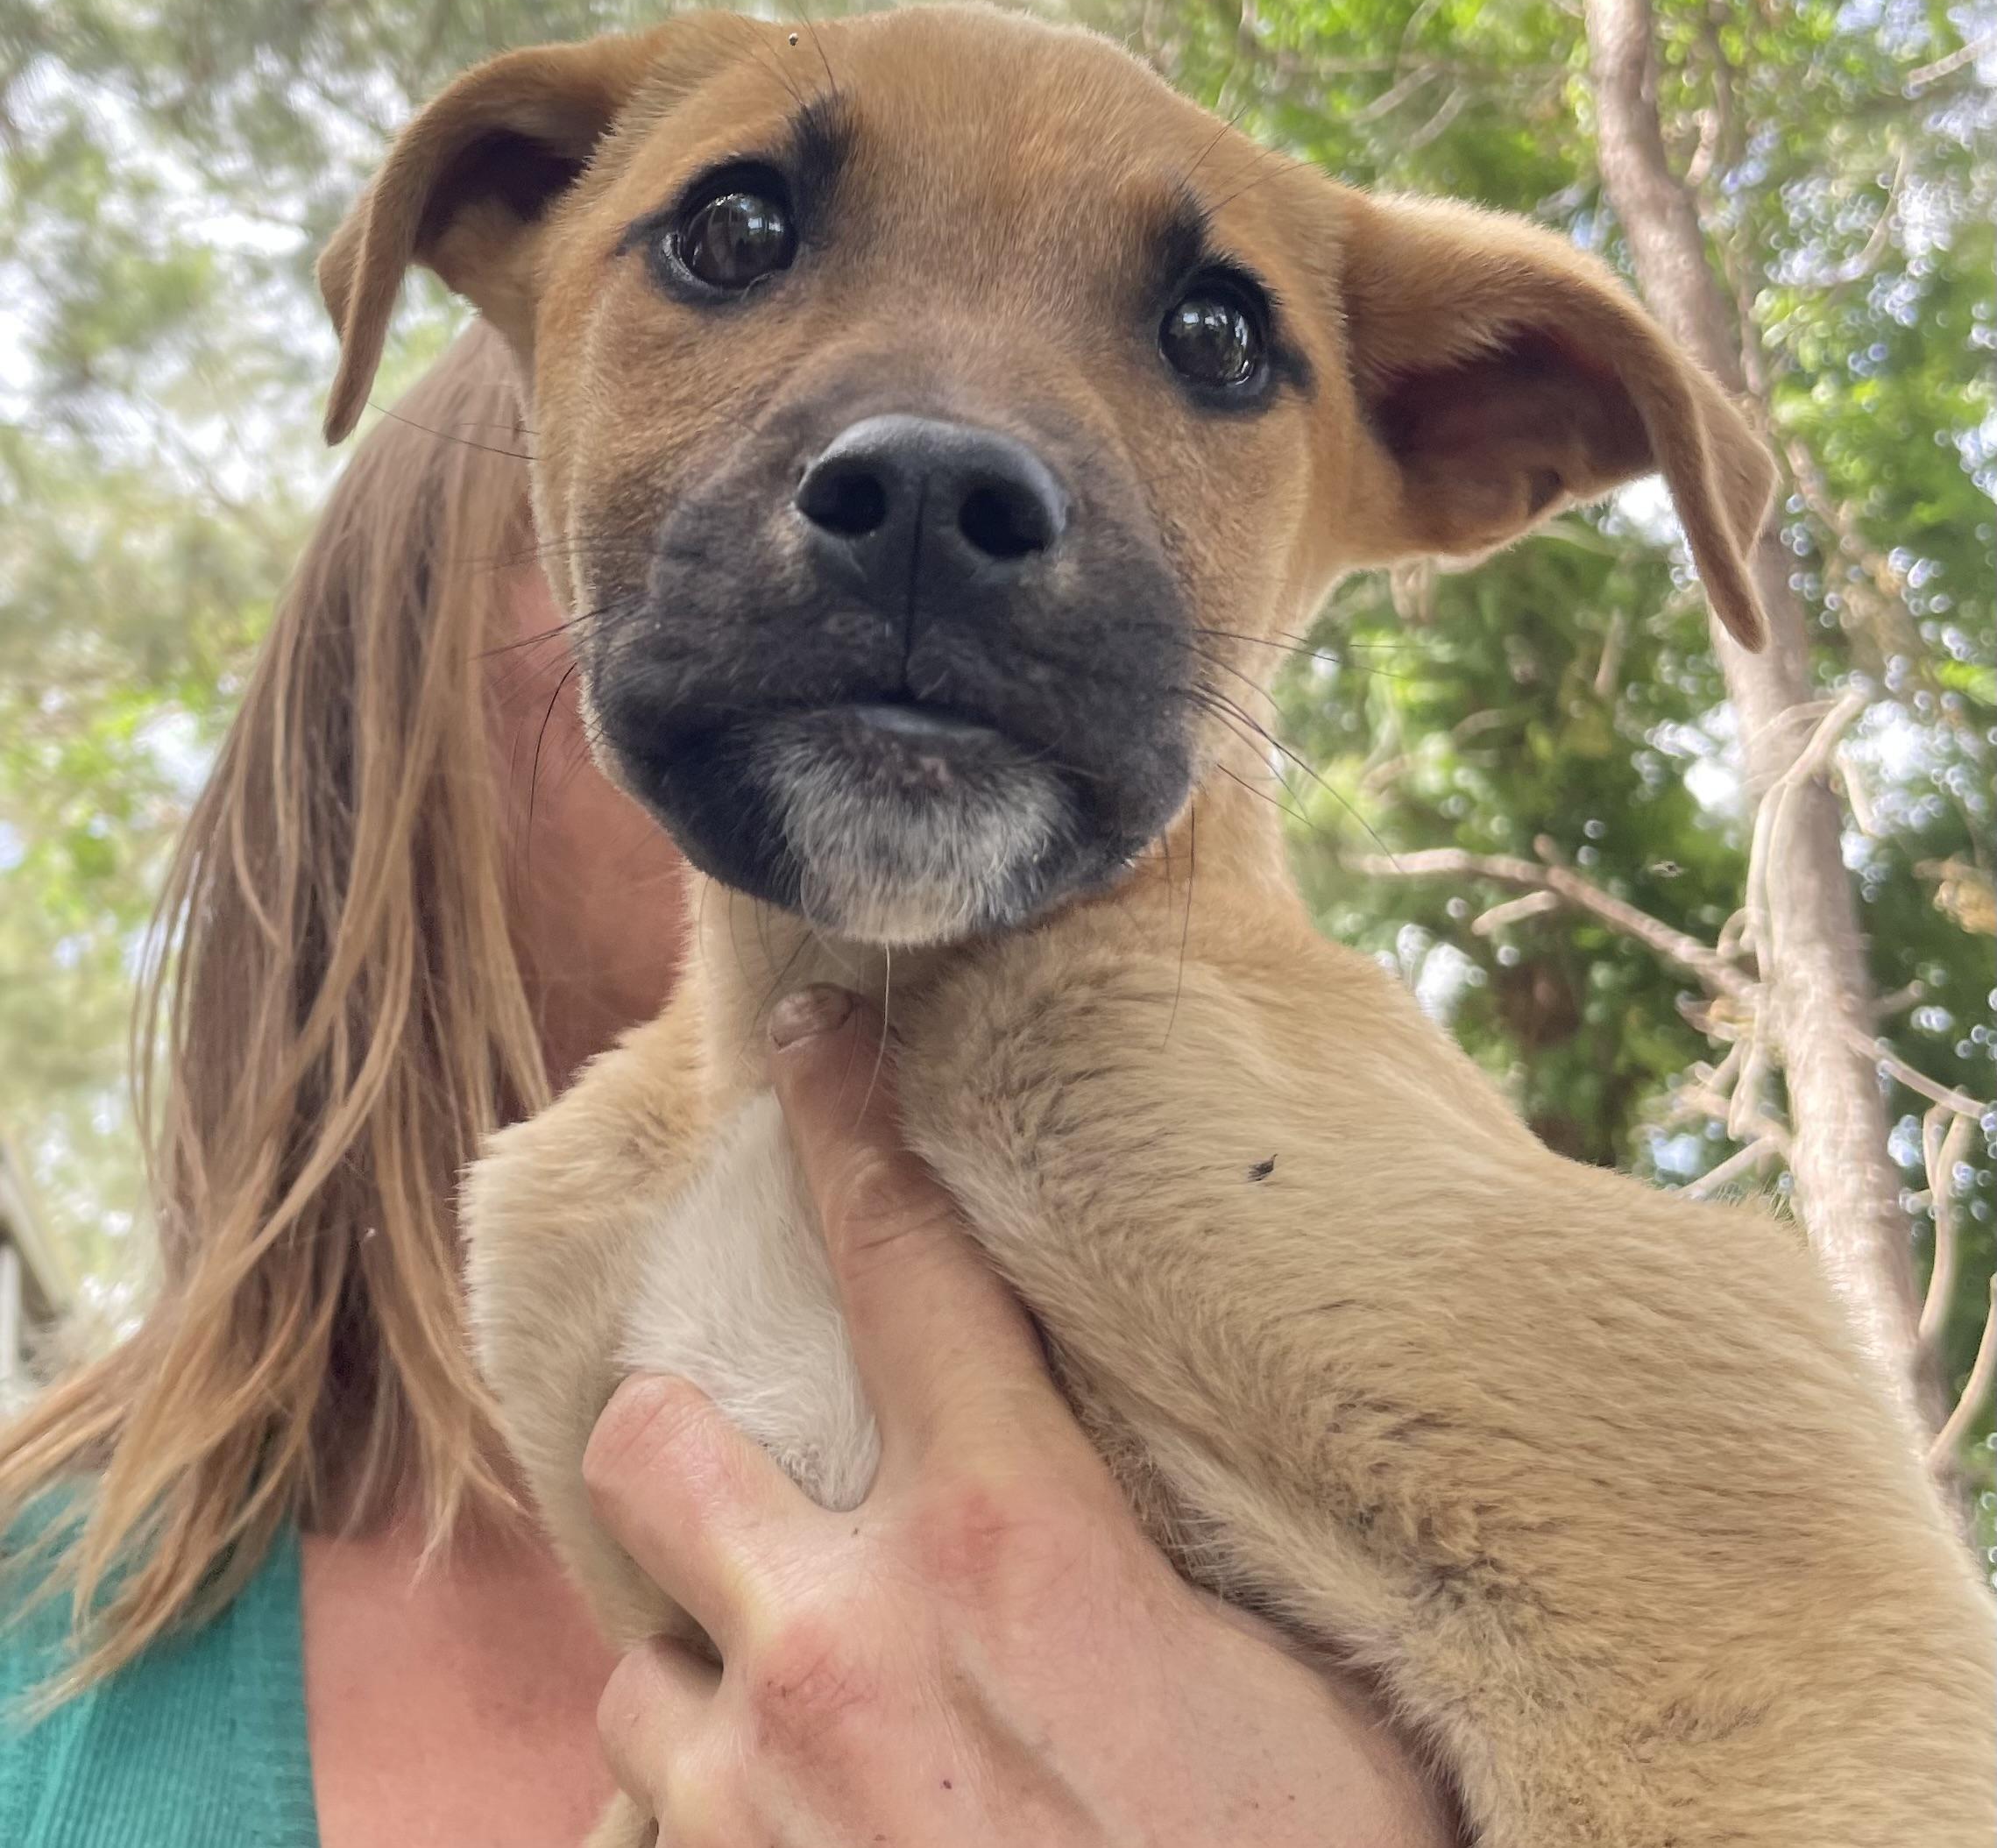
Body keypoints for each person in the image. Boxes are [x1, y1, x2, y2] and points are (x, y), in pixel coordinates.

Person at [0, 326, 1452, 1845]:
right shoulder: (44, 1643)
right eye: (676, 456)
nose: (952, 497)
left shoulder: (1379, 1444)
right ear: (381, 701)